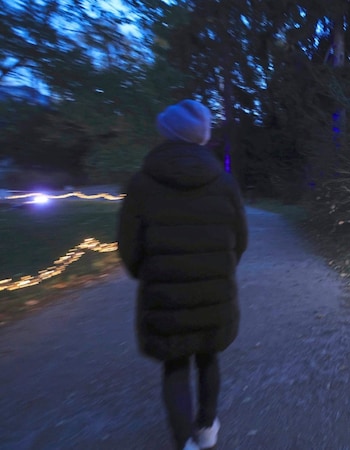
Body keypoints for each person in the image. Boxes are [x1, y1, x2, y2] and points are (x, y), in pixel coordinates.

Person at [117, 99, 248, 450]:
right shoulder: (223, 182)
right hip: (213, 291)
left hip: (165, 295)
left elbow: (129, 247)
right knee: (208, 356)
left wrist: (148, 274)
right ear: (202, 137)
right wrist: (218, 268)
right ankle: (206, 430)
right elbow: (241, 239)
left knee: (175, 365)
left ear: (168, 133)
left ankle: (182, 442)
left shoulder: (142, 183)